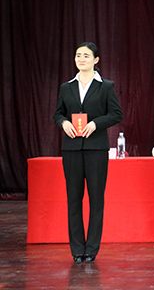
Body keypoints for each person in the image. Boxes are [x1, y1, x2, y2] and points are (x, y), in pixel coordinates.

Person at [53, 42, 123, 264]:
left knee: (96, 199)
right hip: (72, 149)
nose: (81, 59)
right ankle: (77, 249)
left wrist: (96, 124)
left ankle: (91, 248)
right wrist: (64, 123)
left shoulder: (105, 86)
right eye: (78, 55)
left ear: (96, 60)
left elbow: (116, 114)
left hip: (96, 149)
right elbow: (58, 114)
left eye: (86, 55)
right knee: (73, 199)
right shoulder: (67, 87)